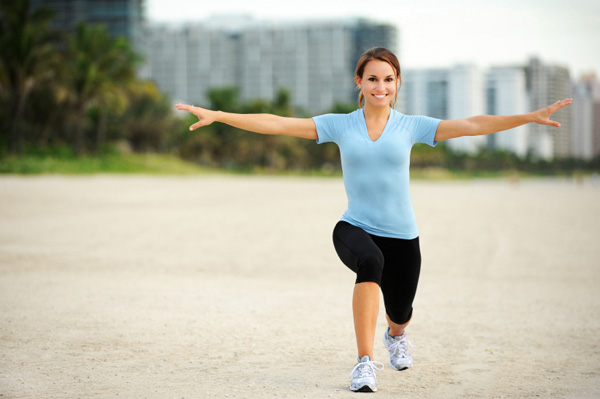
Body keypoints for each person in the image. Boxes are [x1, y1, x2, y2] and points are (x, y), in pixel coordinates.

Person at [176, 47, 572, 393]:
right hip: (355, 227)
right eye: (372, 79)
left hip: (404, 237)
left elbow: (472, 125)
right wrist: (219, 114)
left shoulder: (412, 126)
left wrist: (529, 117)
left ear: (397, 82)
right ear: (359, 82)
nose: (380, 87)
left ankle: (395, 336)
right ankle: (364, 363)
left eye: (388, 79)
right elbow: (278, 123)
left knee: (400, 312)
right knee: (371, 263)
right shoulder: (340, 124)